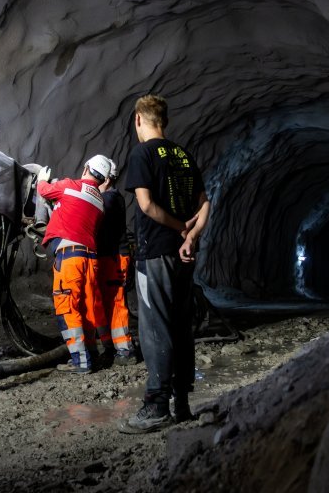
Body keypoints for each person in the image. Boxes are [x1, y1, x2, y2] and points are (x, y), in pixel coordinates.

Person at [118, 94, 211, 434]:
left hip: (155, 252)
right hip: (183, 255)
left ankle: (156, 406)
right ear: (165, 121)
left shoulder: (142, 154)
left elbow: (145, 205)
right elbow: (205, 204)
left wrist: (177, 227)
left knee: (155, 326)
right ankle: (182, 404)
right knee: (180, 325)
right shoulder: (183, 155)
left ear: (139, 120)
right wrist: (190, 236)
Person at [36, 154, 113, 374]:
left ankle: (81, 362)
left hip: (70, 258)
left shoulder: (69, 186)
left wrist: (42, 178)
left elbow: (43, 191)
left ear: (87, 167)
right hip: (90, 259)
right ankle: (92, 355)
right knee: (87, 308)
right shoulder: (99, 202)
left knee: (68, 307)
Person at [96, 160, 137, 365]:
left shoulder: (110, 199)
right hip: (105, 257)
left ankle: (125, 349)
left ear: (105, 178)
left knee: (116, 302)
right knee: (103, 302)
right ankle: (110, 348)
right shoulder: (106, 197)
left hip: (114, 257)